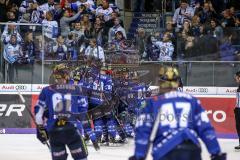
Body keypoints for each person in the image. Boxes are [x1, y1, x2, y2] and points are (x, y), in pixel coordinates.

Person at [129, 66, 226, 160]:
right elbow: (206, 129)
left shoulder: (153, 102)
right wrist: (216, 153)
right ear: (178, 82)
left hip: (164, 150)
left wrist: (139, 155)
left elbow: (143, 131)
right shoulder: (191, 100)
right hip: (191, 148)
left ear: (159, 82)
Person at [34, 64, 88, 160]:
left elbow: (38, 114)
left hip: (54, 131)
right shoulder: (77, 89)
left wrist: (41, 129)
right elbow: (83, 112)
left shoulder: (46, 90)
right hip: (72, 130)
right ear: (66, 75)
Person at [234, 71, 240, 150]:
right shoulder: (238, 87)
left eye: (236, 77)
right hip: (238, 109)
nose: (235, 78)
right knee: (238, 126)